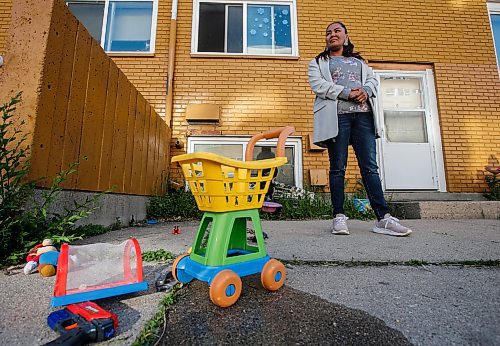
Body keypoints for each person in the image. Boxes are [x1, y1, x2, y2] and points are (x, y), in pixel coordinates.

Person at [308, 21, 412, 237]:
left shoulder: (359, 62)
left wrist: (365, 90)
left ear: (346, 36)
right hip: (337, 118)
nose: (332, 35)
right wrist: (347, 93)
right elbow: (318, 85)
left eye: (337, 31)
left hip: (363, 118)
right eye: (328, 33)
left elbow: (374, 81)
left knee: (370, 168)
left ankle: (383, 219)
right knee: (338, 167)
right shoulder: (319, 62)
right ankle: (339, 217)